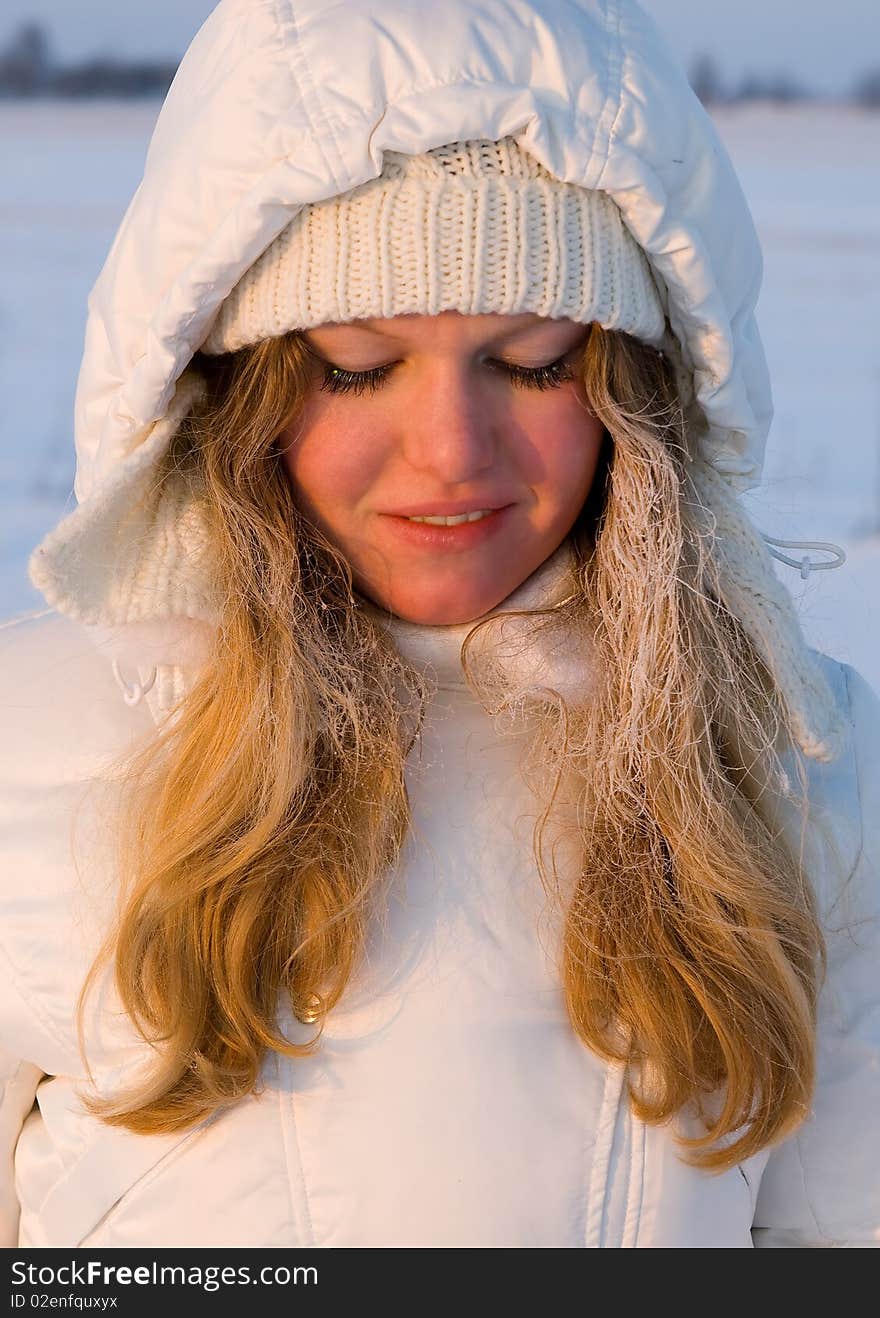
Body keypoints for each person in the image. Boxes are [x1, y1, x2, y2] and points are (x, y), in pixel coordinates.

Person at [1, 0, 877, 1250]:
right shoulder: (28, 746)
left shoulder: (803, 765)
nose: (452, 455)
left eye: (531, 359)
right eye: (357, 363)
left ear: (633, 386)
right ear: (237, 391)